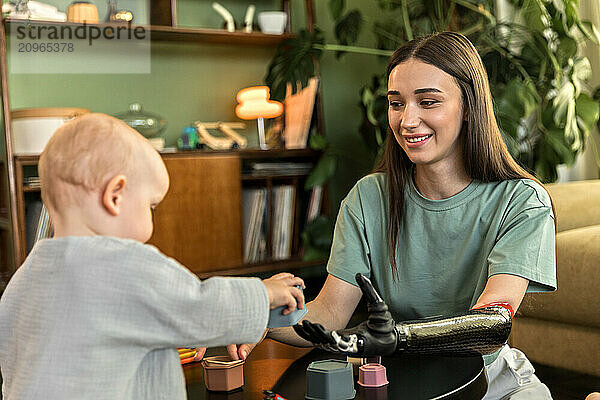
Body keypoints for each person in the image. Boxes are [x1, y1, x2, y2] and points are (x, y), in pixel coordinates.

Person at [228, 32, 557, 399]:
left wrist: (399, 337)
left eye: (428, 102)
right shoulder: (368, 198)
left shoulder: (522, 201)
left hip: (490, 381)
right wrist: (257, 314)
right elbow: (331, 314)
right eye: (396, 103)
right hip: (394, 381)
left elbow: (491, 322)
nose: (407, 120)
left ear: (469, 107)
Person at [0, 113, 305, 400]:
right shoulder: (127, 266)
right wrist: (265, 293)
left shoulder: (22, 281)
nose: (152, 219)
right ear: (115, 196)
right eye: (151, 206)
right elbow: (200, 304)